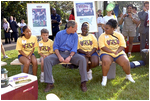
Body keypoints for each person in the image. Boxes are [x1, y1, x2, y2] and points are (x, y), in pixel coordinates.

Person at [43, 20, 88, 92]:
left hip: (71, 54)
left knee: (82, 59)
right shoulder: (59, 34)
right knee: (47, 60)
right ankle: (49, 83)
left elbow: (74, 48)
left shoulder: (75, 35)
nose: (76, 30)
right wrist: (59, 56)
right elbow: (56, 47)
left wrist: (70, 57)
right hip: (59, 53)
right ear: (70, 27)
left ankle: (83, 83)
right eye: (75, 28)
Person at [98, 19, 135, 86]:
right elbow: (102, 47)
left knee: (126, 61)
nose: (105, 30)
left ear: (113, 29)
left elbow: (123, 45)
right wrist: (111, 51)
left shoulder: (119, 35)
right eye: (105, 28)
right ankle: (104, 78)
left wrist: (117, 51)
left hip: (118, 52)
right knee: (106, 61)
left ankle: (128, 76)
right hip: (106, 53)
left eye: (107, 28)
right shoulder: (102, 36)